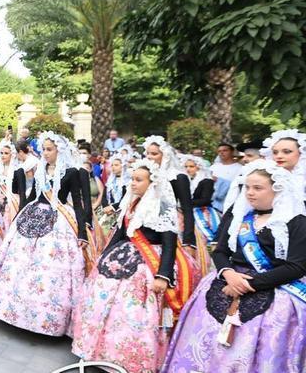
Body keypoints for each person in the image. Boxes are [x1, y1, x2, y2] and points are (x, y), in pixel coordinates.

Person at [162, 160, 306, 373]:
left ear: (278, 189)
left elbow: (297, 266)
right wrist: (228, 274)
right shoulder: (239, 215)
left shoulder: (295, 221)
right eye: (247, 187)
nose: (250, 193)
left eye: (257, 188)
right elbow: (220, 251)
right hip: (226, 281)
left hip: (275, 289)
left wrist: (246, 284)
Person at [72, 159, 200, 373]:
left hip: (149, 262)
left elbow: (169, 243)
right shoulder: (131, 203)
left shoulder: (162, 206)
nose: (133, 184)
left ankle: (129, 360)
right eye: (132, 179)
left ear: (152, 183)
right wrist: (104, 256)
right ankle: (97, 351)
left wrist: (163, 275)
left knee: (133, 313)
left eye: (138, 180)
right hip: (124, 255)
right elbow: (122, 232)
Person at [0, 131, 87, 336]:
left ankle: (45, 315)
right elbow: (30, 198)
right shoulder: (39, 169)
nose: (45, 153)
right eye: (43, 150)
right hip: (32, 214)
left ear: (58, 150)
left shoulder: (71, 172)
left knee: (49, 268)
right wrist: (18, 219)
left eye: (49, 149)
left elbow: (78, 203)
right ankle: (14, 309)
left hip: (59, 220)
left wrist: (82, 231)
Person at [143, 136, 198, 259]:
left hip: (173, 224)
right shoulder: (147, 175)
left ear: (165, 155)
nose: (149, 157)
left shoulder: (178, 177)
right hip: (149, 224)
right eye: (147, 153)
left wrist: (188, 241)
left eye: (154, 154)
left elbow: (187, 209)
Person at [95, 155, 128, 253]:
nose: (113, 167)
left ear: (123, 166)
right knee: (100, 228)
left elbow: (125, 198)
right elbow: (104, 195)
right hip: (107, 211)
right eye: (112, 165)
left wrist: (113, 207)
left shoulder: (128, 182)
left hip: (120, 211)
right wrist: (105, 206)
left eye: (116, 165)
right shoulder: (110, 181)